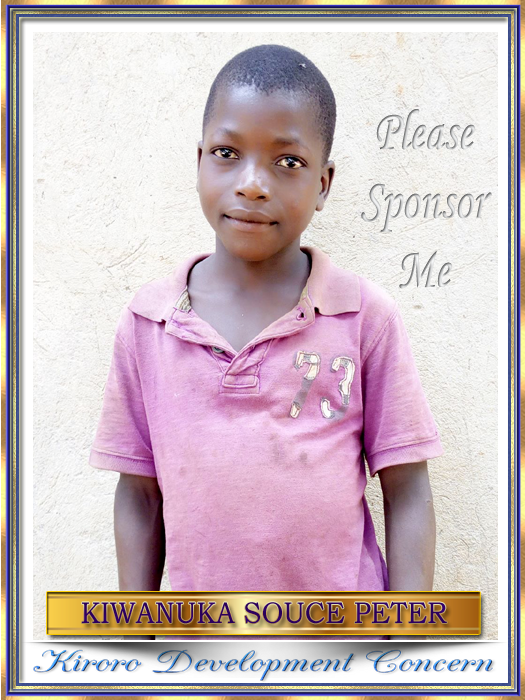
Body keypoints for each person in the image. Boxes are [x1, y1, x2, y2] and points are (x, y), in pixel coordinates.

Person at [90, 45, 442, 619]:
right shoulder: (149, 322)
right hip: (201, 645)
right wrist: (138, 638)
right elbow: (138, 495)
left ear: (324, 184)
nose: (252, 184)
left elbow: (407, 493)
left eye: (287, 162)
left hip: (343, 645)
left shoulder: (363, 318)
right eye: (227, 153)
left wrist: (407, 642)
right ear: (199, 161)